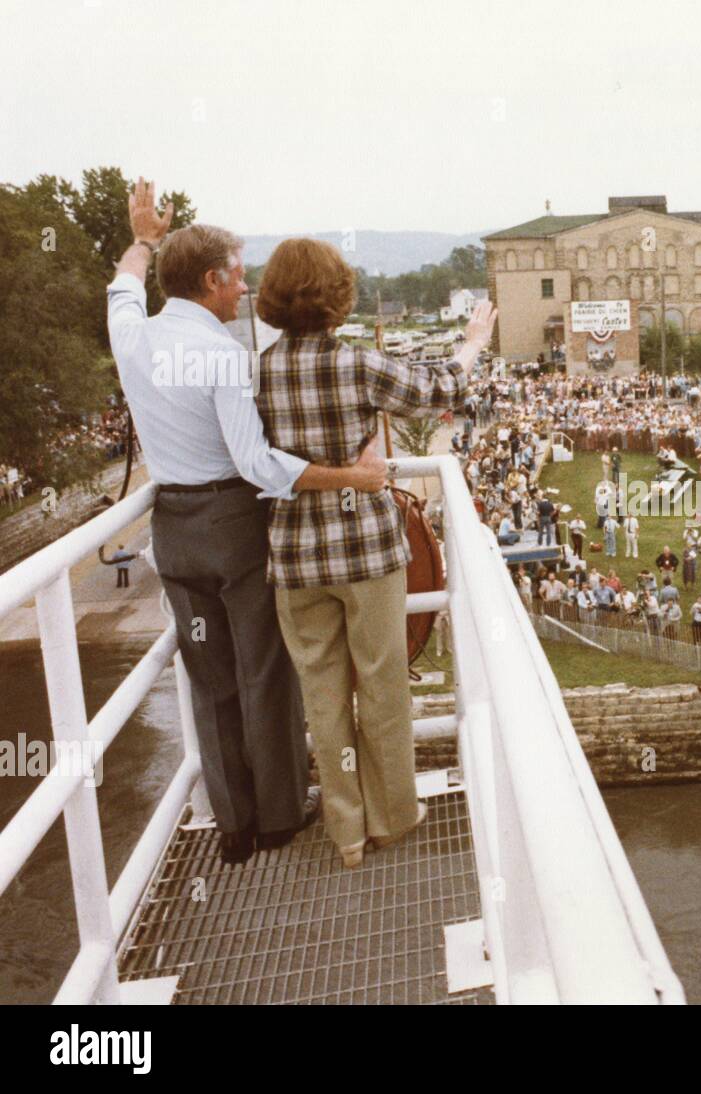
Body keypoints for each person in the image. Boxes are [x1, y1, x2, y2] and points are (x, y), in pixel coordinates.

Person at [106, 180, 388, 866]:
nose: (244, 290)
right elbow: (258, 464)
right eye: (236, 277)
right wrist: (354, 476)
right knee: (264, 670)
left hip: (173, 531)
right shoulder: (226, 355)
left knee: (209, 676)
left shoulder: (131, 335)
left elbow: (120, 284)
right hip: (233, 524)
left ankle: (234, 824)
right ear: (209, 280)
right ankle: (281, 816)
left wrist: (143, 237)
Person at [254, 236, 496, 869]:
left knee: (323, 696)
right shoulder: (357, 363)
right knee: (383, 687)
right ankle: (392, 815)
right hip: (365, 548)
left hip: (295, 558)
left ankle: (347, 829)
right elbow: (440, 388)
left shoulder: (258, 371)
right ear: (337, 296)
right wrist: (473, 340)